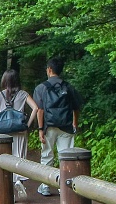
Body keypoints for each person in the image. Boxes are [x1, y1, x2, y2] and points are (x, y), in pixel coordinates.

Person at [33, 57, 84, 196]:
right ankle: (64, 186)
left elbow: (40, 110)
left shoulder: (41, 88)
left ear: (49, 69)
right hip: (66, 126)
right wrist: (74, 123)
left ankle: (45, 186)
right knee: (66, 156)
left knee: (47, 155)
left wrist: (40, 129)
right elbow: (76, 107)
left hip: (48, 126)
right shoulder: (68, 87)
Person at [0, 68, 39, 200]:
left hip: (3, 133)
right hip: (20, 130)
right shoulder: (23, 94)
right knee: (19, 157)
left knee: (6, 158)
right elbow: (36, 108)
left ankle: (8, 191)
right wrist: (27, 125)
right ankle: (19, 181)